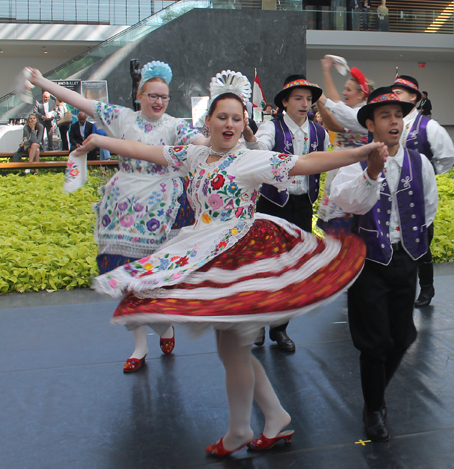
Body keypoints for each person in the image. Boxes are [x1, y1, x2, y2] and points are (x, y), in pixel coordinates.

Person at [75, 77, 385, 456]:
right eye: (222, 117)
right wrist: (99, 141)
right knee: (232, 349)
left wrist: (363, 152)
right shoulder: (195, 156)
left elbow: (307, 163)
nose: (229, 124)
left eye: (236, 119)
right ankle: (274, 418)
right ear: (208, 121)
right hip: (202, 249)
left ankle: (241, 429)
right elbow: (143, 149)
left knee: (233, 349)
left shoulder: (249, 159)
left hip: (240, 258)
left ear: (243, 124)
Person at [27, 62, 207, 373]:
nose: (158, 101)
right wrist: (43, 80)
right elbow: (78, 100)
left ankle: (164, 327)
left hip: (163, 211)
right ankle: (139, 345)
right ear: (139, 95)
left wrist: (224, 140)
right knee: (126, 282)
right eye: (152, 95)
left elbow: (202, 144)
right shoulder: (120, 117)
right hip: (122, 210)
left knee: (156, 282)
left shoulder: (176, 126)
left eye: (163, 97)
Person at [330, 87, 438, 442]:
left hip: (404, 258)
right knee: (374, 341)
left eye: (398, 115)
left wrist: (415, 247)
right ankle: (374, 407)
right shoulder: (353, 161)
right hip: (369, 262)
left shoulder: (418, 162)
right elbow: (348, 203)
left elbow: (428, 207)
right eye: (385, 116)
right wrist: (371, 174)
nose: (394, 122)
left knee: (404, 335)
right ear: (371, 125)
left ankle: (376, 395)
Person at [244, 75, 329, 352]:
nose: (305, 104)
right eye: (298, 98)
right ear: (284, 102)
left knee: (292, 267)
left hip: (302, 204)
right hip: (272, 203)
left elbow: (324, 162)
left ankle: (280, 329)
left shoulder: (319, 132)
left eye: (308, 99)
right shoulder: (272, 127)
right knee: (265, 265)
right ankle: (257, 325)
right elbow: (259, 150)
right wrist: (249, 136)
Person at [391, 76, 454, 307]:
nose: (395, 96)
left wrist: (427, 173)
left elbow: (448, 156)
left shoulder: (428, 126)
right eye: (394, 92)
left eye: (400, 92)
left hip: (417, 196)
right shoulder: (386, 122)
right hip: (388, 196)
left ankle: (427, 289)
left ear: (414, 97)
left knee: (420, 243)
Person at [316, 58, 373, 235]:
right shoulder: (352, 111)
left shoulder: (361, 113)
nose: (344, 93)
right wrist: (319, 100)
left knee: (345, 224)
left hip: (352, 171)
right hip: (341, 168)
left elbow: (336, 113)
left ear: (362, 94)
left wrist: (325, 77)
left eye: (348, 90)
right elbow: (334, 120)